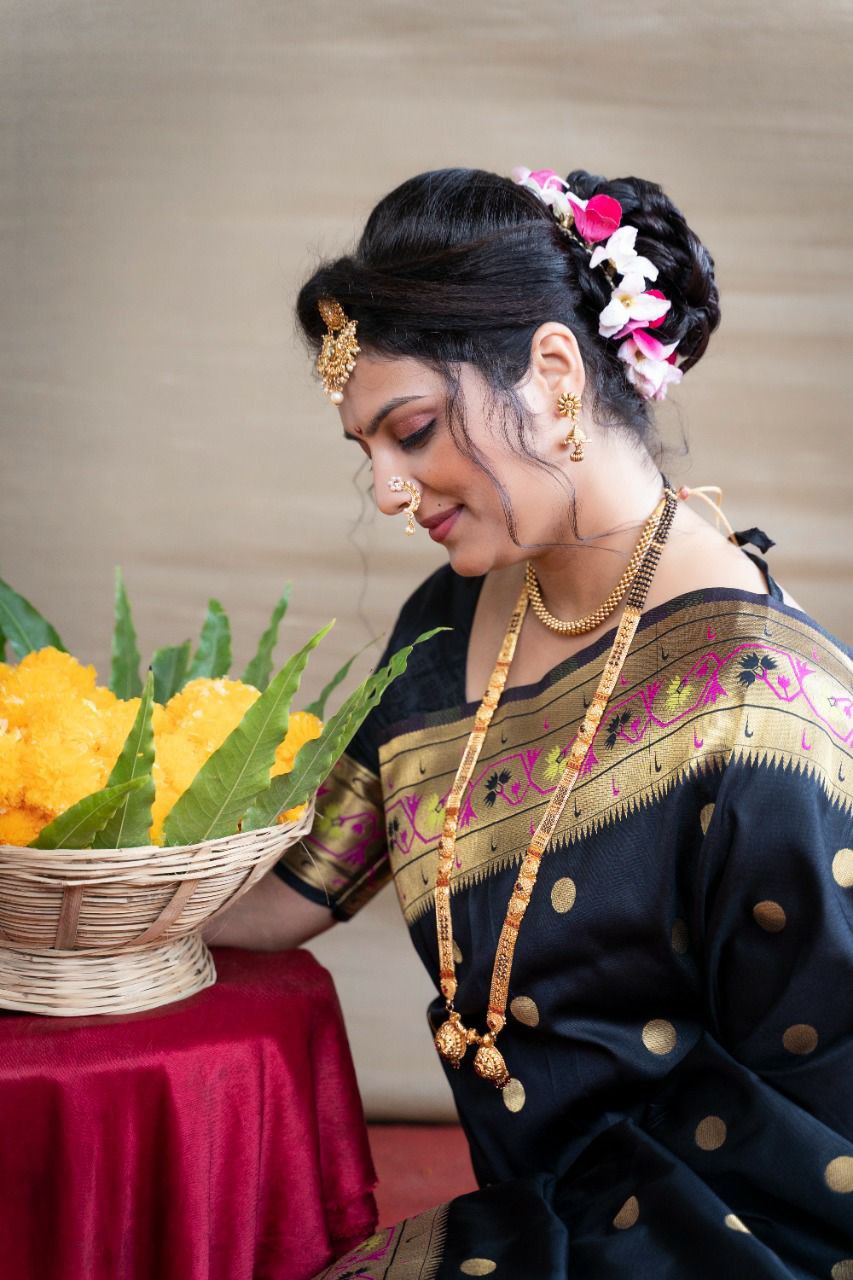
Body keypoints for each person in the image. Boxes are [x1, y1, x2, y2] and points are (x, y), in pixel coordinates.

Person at [208, 167, 853, 1278]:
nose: (389, 490)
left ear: (553, 369)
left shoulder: (758, 712)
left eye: (409, 430)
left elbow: (818, 1129)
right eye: (366, 450)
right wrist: (75, 900)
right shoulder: (454, 614)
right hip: (537, 1213)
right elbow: (294, 883)